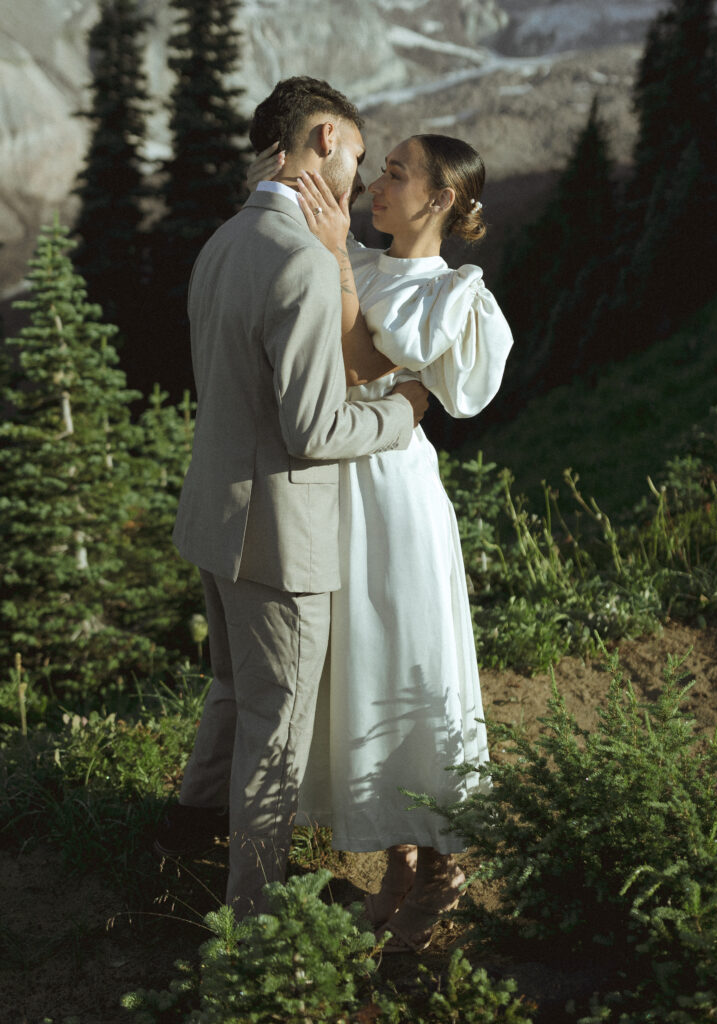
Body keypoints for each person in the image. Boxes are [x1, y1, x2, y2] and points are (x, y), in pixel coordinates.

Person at [155, 77, 430, 920]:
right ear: (318, 142)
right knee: (273, 731)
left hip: (215, 519)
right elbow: (313, 428)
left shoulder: (227, 240)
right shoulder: (303, 259)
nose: (355, 172)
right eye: (353, 152)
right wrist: (402, 412)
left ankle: (178, 848)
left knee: (232, 693)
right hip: (278, 535)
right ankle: (257, 919)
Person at [249, 133, 513, 951]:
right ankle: (401, 856)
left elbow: (360, 361)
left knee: (411, 657)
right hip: (338, 492)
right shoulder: (354, 258)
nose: (375, 182)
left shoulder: (448, 291)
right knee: (360, 663)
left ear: (437, 198)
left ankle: (446, 863)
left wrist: (332, 258)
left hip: (394, 499)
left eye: (396, 173)